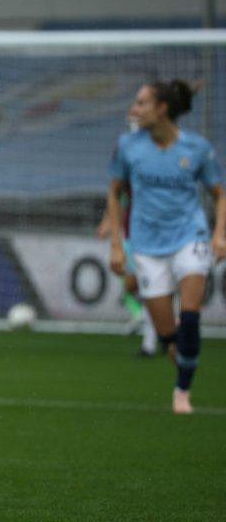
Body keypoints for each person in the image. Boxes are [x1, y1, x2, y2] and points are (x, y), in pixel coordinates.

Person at [106, 79, 226, 414]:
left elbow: (220, 193)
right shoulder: (128, 146)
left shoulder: (197, 148)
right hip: (146, 246)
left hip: (190, 237)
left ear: (163, 109)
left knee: (190, 316)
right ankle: (180, 353)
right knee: (168, 336)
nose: (135, 108)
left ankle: (182, 393)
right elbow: (114, 193)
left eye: (142, 102)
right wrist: (117, 244)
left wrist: (219, 235)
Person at [97, 185, 159, 357]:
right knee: (134, 287)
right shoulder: (129, 177)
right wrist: (107, 223)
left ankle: (152, 341)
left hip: (154, 238)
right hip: (133, 238)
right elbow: (116, 199)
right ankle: (160, 326)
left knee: (151, 289)